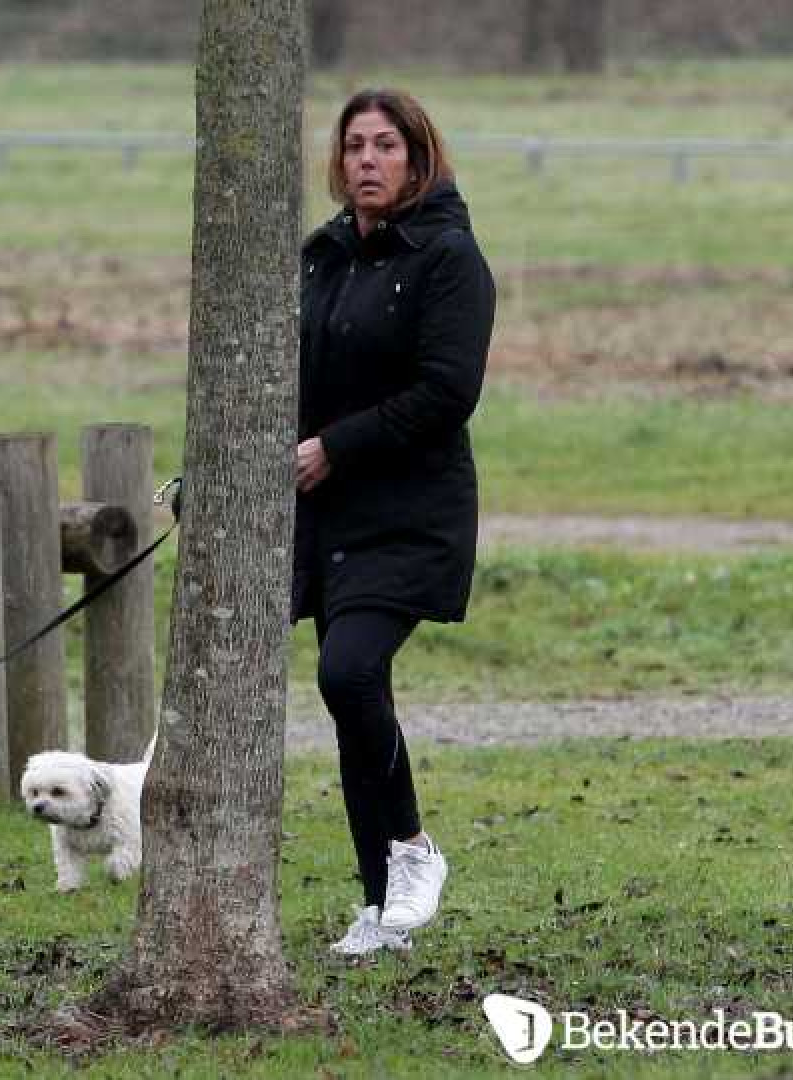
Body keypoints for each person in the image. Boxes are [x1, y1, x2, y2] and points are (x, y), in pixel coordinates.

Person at [297, 89, 495, 957]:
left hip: (412, 514)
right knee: (351, 701)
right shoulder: (324, 255)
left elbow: (448, 391)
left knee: (348, 672)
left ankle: (412, 850)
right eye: (353, 147)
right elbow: (289, 374)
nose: (367, 161)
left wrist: (336, 446)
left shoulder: (450, 257)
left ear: (419, 158)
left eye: (385, 145)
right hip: (327, 515)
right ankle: (381, 910)